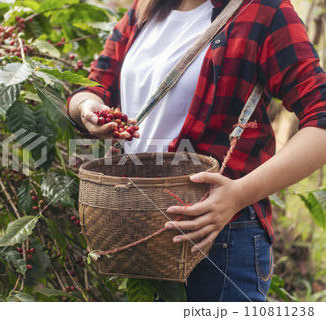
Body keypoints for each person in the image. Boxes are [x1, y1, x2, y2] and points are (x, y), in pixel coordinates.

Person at [67, 0, 326, 301]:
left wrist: (238, 194)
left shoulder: (264, 11)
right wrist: (88, 109)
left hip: (217, 234)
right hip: (139, 229)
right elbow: (92, 87)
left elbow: (320, 118)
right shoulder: (145, 9)